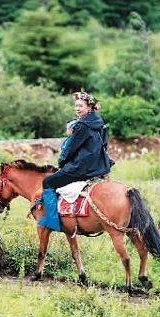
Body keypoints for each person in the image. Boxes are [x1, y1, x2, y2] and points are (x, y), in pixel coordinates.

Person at [38, 91, 110, 231]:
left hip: (81, 169)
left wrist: (62, 162)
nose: (77, 108)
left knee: (47, 182)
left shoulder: (81, 125)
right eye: (76, 106)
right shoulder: (100, 123)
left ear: (89, 107)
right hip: (98, 167)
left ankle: (52, 221)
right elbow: (105, 145)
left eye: (81, 106)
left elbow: (70, 149)